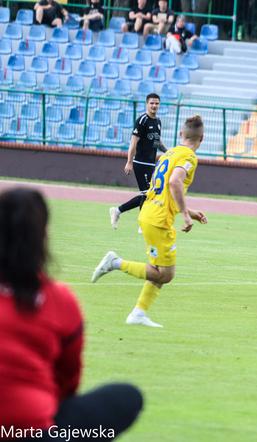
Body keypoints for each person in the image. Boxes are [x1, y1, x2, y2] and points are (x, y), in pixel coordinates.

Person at [0, 188, 143, 438]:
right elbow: (67, 384)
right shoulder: (58, 300)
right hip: (35, 432)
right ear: (42, 237)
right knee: (128, 397)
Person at [93, 116, 208, 328]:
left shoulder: (169, 154)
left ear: (181, 134)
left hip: (150, 213)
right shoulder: (189, 157)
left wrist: (189, 212)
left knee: (159, 271)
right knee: (166, 274)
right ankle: (114, 263)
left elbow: (164, 188)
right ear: (202, 138)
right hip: (159, 220)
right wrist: (183, 214)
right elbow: (174, 181)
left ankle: (138, 313)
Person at [110, 94, 166, 230]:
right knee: (147, 193)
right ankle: (141, 224)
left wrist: (168, 151)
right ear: (147, 104)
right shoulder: (142, 120)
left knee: (148, 194)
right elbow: (133, 142)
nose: (154, 106)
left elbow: (157, 142)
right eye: (152, 103)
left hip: (152, 163)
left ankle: (118, 211)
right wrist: (129, 161)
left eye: (157, 103)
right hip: (140, 163)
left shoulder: (158, 121)